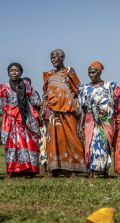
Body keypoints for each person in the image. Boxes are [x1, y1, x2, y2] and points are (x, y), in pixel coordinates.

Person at [42, 49, 85, 177]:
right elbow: (45, 94)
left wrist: (80, 109)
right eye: (51, 58)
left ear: (62, 58)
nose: (53, 60)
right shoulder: (48, 75)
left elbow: (78, 90)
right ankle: (54, 169)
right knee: (54, 140)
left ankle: (73, 169)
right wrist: (43, 109)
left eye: (55, 57)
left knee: (72, 138)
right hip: (53, 112)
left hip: (68, 111)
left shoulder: (69, 72)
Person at [0, 63, 40, 177]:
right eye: (12, 70)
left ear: (21, 72)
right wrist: (14, 111)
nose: (14, 72)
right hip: (11, 119)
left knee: (29, 142)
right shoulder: (4, 87)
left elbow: (36, 100)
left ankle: (30, 169)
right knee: (13, 144)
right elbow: (3, 104)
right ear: (8, 72)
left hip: (26, 119)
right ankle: (13, 170)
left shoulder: (27, 85)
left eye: (16, 70)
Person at [78, 61, 116, 179]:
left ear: (100, 72)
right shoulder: (84, 88)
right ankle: (92, 171)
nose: (91, 74)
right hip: (90, 121)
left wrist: (107, 112)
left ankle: (104, 170)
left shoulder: (109, 86)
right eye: (89, 72)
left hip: (105, 120)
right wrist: (80, 125)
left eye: (93, 72)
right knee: (90, 145)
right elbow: (83, 109)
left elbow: (114, 104)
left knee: (105, 144)